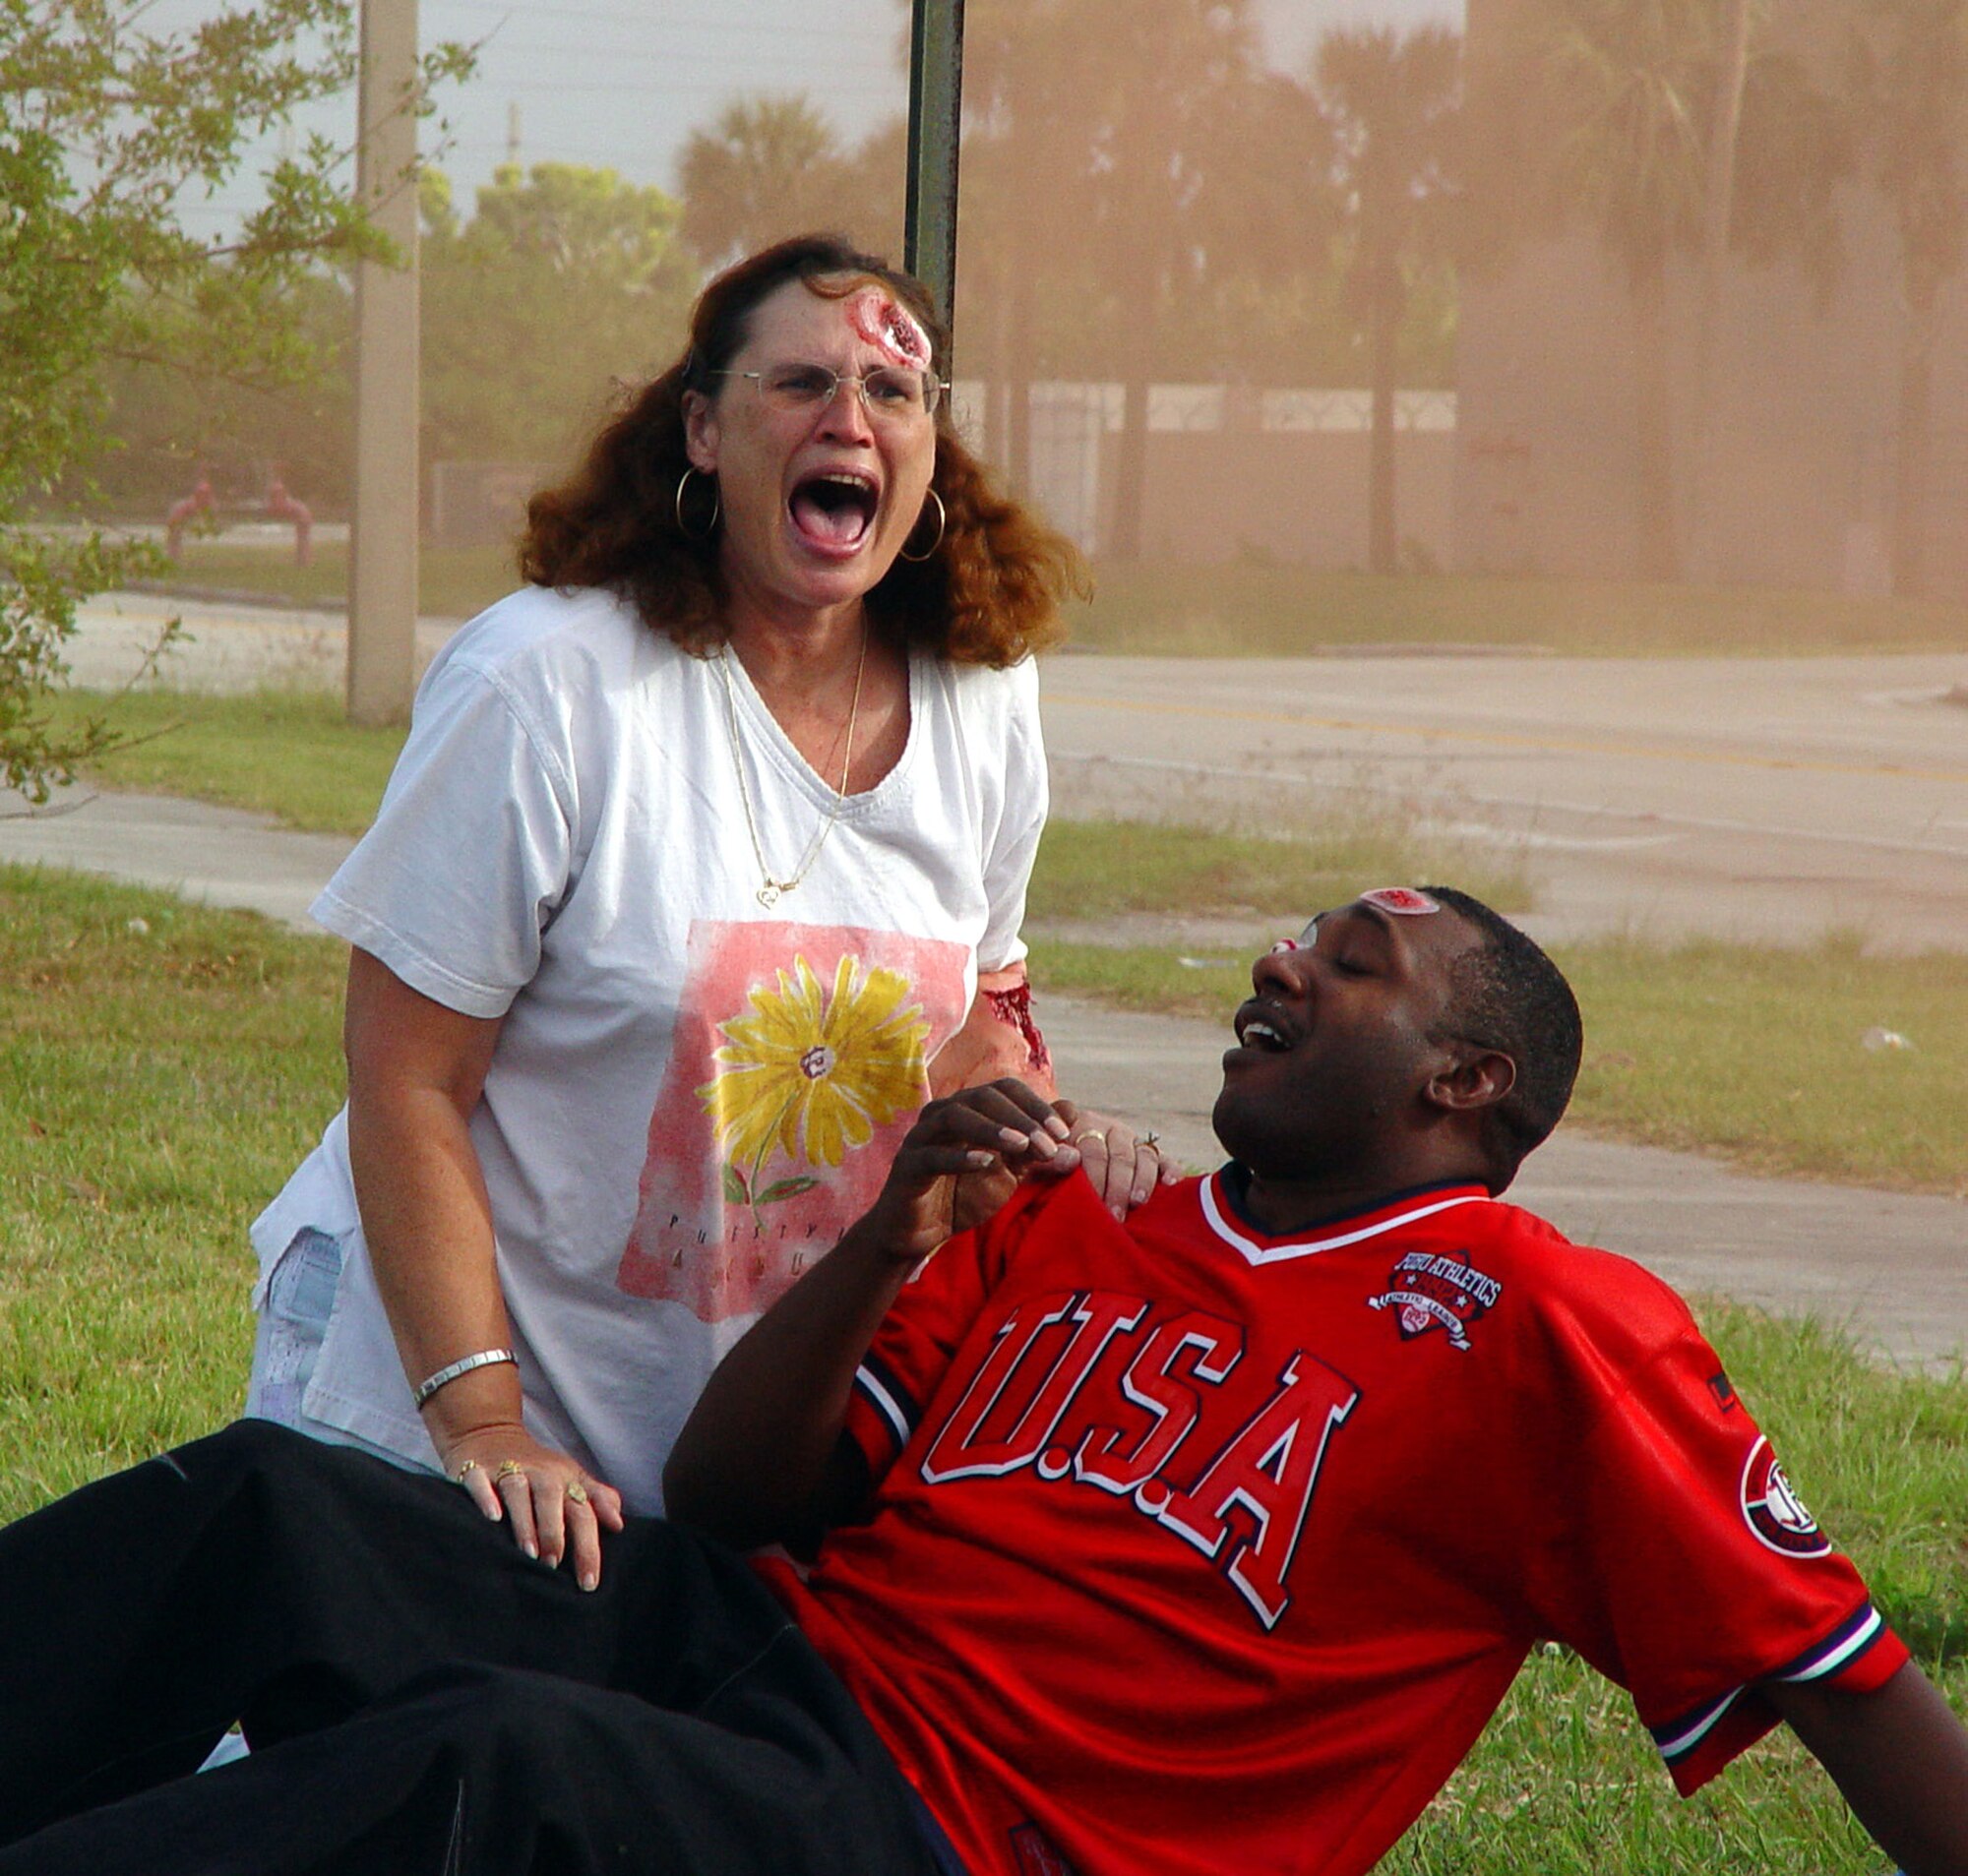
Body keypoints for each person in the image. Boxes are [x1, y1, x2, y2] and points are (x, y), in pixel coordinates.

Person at [4, 885, 1964, 1876]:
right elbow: (742, 1500)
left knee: (498, 1774)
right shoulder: (1067, 1213)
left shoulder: (1538, 1319)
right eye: (1294, 936)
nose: (1281, 956)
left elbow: (1846, 1683)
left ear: (1471, 1086)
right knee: (285, 1509)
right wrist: (890, 1236)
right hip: (771, 1652)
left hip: (960, 1837)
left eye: (1352, 961)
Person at [245, 233, 1168, 1575]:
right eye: (799, 383)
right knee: (362, 1773)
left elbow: (978, 1004)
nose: (849, 417)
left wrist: (1042, 1125)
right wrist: (485, 1425)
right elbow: (407, 1083)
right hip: (437, 1391)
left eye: (891, 392)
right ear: (703, 429)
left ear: (930, 455)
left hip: (718, 1429)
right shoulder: (547, 687)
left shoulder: (984, 697)